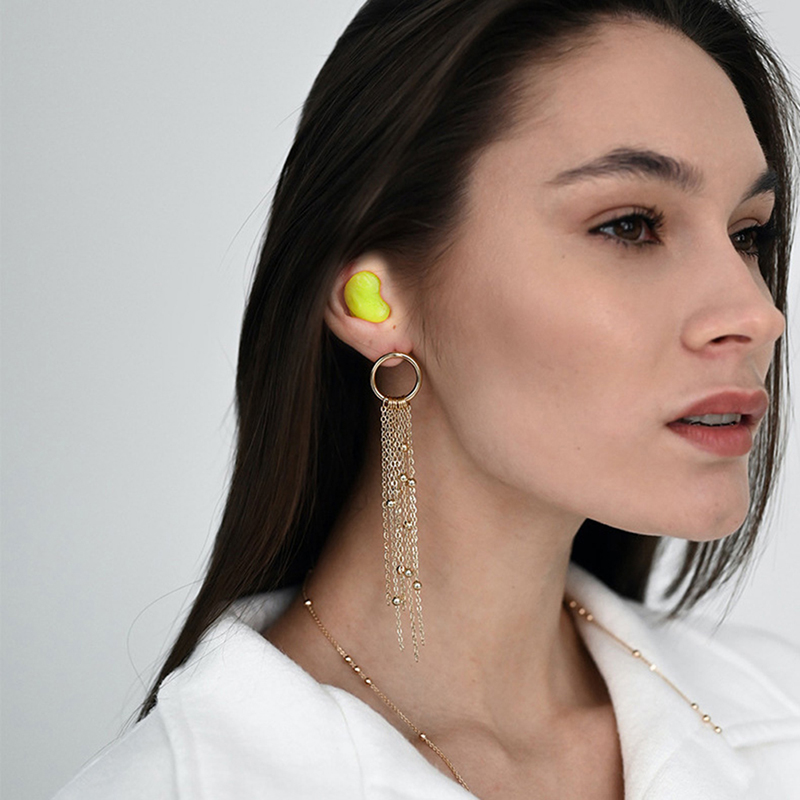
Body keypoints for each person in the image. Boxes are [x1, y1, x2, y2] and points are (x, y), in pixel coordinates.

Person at [53, 0, 800, 797]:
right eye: (630, 225)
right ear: (374, 300)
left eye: (747, 234)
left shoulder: (781, 709)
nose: (757, 315)